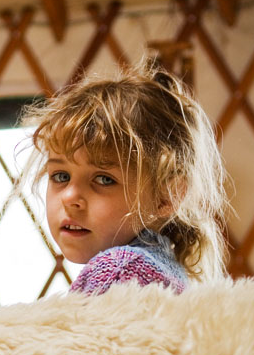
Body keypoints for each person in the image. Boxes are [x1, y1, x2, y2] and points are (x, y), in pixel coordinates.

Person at [17, 64, 228, 295]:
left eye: (104, 179)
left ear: (167, 196)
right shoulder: (160, 267)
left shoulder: (120, 270)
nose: (69, 197)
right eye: (61, 176)